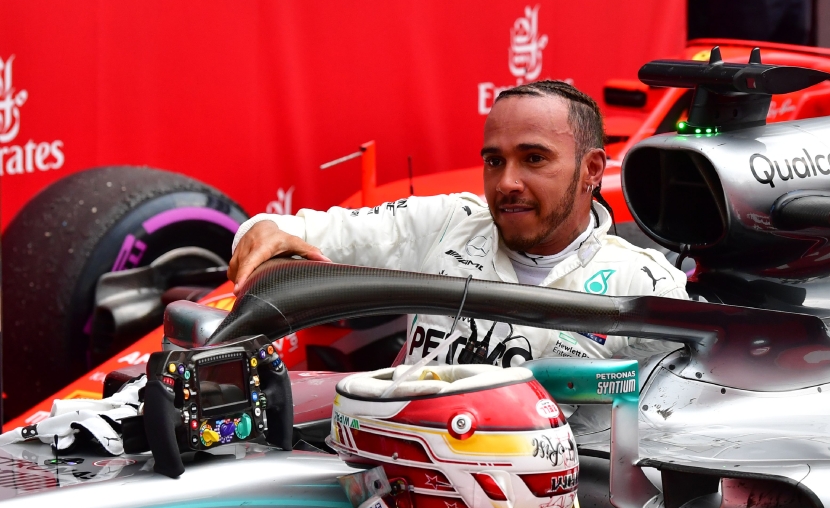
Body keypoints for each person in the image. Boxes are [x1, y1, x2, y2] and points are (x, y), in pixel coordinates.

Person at [228, 81, 687, 367]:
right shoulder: (447, 223)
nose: (506, 183)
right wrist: (260, 229)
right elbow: (288, 229)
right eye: (493, 160)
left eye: (533, 159)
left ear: (591, 170)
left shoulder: (646, 285)